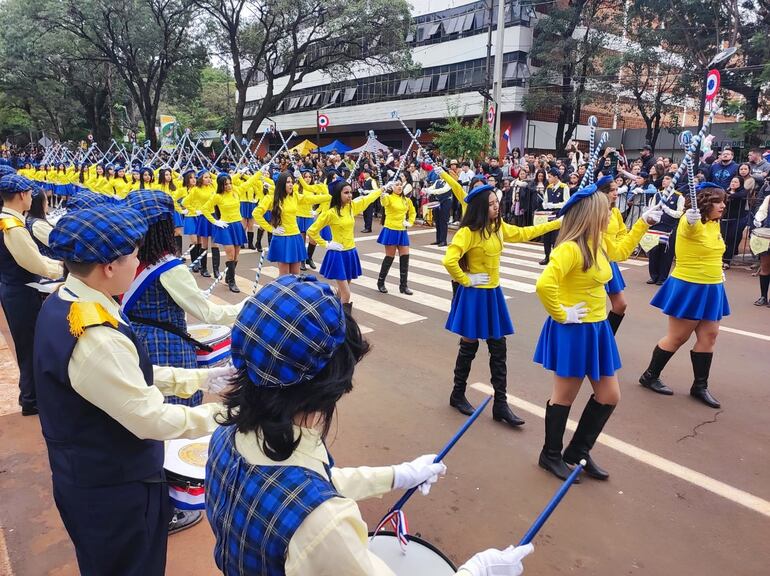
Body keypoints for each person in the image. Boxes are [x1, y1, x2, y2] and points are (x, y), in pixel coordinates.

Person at [206, 274, 534, 576]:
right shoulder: (324, 523)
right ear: (331, 382)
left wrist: (399, 475)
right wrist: (477, 571)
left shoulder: (224, 437)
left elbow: (298, 488)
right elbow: (310, 507)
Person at [33, 204, 233, 576]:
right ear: (109, 267)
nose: (138, 263)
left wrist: (200, 379)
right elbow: (149, 418)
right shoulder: (95, 334)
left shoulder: (70, 300)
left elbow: (124, 374)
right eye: (134, 257)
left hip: (89, 475)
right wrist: (224, 415)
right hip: (115, 489)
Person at [122, 189, 245, 532]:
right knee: (174, 424)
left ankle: (154, 496)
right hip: (167, 346)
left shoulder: (131, 261)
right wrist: (248, 307)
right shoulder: (168, 267)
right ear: (164, 226)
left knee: (149, 417)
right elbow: (208, 312)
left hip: (138, 341)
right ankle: (171, 505)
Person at [534, 183, 661, 481]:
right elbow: (544, 284)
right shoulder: (569, 248)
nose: (610, 215)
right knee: (564, 396)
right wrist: (561, 312)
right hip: (573, 330)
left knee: (609, 395)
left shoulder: (599, 243)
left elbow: (622, 251)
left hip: (597, 329)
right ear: (593, 214)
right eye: (606, 211)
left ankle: (577, 451)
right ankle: (550, 455)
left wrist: (644, 223)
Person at [443, 184, 563, 428]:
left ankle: (501, 403)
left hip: (493, 295)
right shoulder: (468, 232)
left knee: (499, 349)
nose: (496, 206)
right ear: (479, 207)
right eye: (491, 203)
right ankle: (457, 394)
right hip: (475, 297)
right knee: (469, 345)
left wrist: (557, 223)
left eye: (496, 201)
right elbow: (449, 259)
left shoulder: (498, 228)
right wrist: (466, 279)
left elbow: (524, 233)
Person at [639, 183, 729, 409]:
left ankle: (699, 386)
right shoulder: (690, 222)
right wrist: (689, 219)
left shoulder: (714, 225)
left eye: (723, 201)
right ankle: (650, 375)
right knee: (678, 337)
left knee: (710, 336)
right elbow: (689, 228)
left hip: (712, 286)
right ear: (705, 203)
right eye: (718, 201)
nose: (723, 205)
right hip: (690, 285)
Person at [0, 174, 64, 416]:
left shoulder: (9, 221)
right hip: (21, 291)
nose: (32, 198)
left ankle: (30, 394)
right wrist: (64, 269)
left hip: (15, 288)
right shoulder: (13, 227)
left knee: (28, 342)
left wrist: (56, 263)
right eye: (28, 193)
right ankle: (31, 399)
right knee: (29, 345)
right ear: (20, 196)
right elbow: (32, 263)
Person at [308, 178, 383, 308]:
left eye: (350, 192)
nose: (349, 195)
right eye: (346, 193)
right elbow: (312, 231)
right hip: (338, 254)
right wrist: (326, 244)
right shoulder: (330, 213)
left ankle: (333, 315)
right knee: (346, 295)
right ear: (338, 195)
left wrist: (382, 189)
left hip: (350, 252)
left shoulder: (351, 207)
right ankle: (344, 325)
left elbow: (368, 199)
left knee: (341, 292)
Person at [253, 171, 330, 277]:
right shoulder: (271, 198)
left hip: (295, 237)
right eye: (288, 182)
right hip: (282, 238)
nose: (291, 184)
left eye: (292, 182)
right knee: (284, 275)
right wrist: (271, 229)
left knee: (296, 274)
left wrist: (331, 197)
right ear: (281, 184)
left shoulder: (295, 196)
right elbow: (256, 213)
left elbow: (312, 199)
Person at [202, 173, 247, 293]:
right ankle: (232, 281)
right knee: (230, 254)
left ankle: (228, 276)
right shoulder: (217, 196)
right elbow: (205, 209)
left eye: (230, 183)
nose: (229, 186)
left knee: (237, 254)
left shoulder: (236, 192)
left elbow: (249, 183)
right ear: (221, 185)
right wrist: (215, 221)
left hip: (237, 225)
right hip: (225, 226)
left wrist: (260, 172)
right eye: (226, 184)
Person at [375, 178, 417, 295]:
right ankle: (381, 282)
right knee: (390, 257)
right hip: (391, 229)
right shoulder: (388, 197)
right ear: (392, 187)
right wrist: (382, 194)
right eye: (396, 185)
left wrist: (410, 222)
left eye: (400, 185)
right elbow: (384, 202)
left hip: (402, 230)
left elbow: (413, 212)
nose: (399, 186)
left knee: (405, 257)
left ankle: (403, 286)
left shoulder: (406, 200)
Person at [646, 181, 684, 286]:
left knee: (666, 253)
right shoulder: (657, 195)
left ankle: (662, 277)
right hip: (657, 227)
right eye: (664, 179)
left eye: (667, 179)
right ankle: (653, 276)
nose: (664, 181)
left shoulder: (678, 196)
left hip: (669, 228)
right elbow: (651, 209)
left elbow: (679, 213)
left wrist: (667, 209)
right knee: (654, 252)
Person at [540, 168, 571, 265]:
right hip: (548, 215)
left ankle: (556, 257)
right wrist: (545, 204)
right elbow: (545, 200)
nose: (548, 179)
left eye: (550, 177)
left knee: (556, 237)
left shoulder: (563, 187)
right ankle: (547, 256)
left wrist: (553, 205)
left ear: (556, 177)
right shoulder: (549, 187)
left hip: (558, 214)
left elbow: (566, 202)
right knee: (547, 236)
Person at [752, 193, 770, 306]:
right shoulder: (769, 198)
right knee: (765, 266)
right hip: (767, 235)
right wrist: (758, 219)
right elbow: (762, 212)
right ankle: (763, 296)